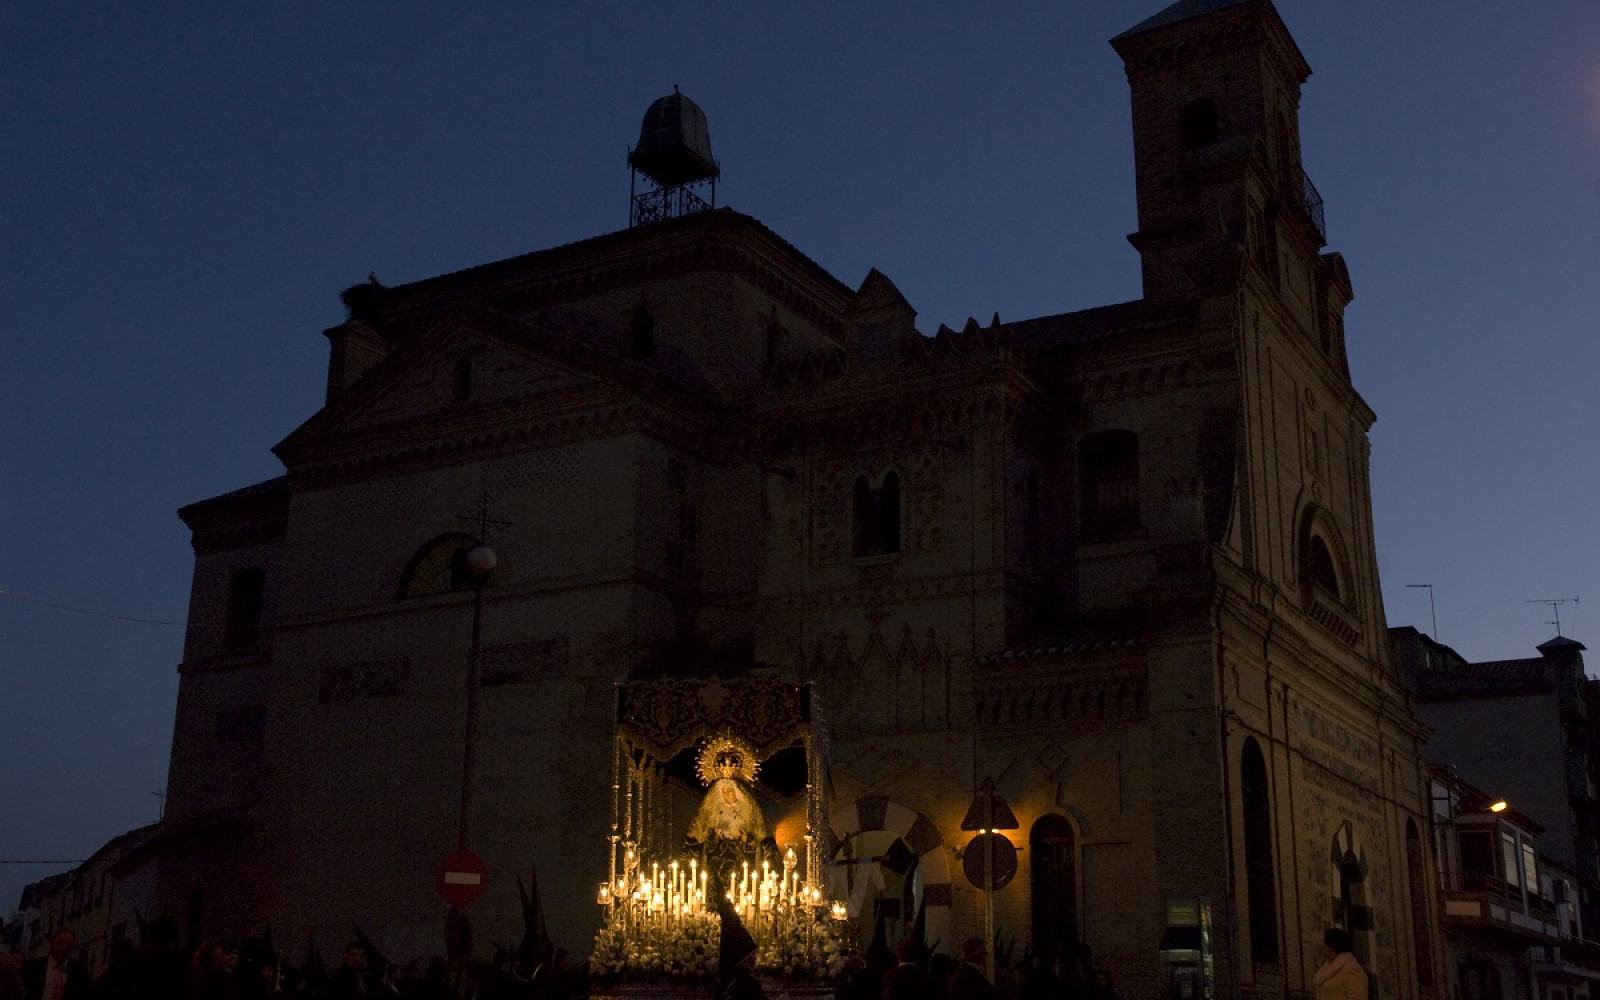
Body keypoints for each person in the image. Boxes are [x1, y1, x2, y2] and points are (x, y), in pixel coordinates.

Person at [21, 929, 91, 1000]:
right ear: (52, 943)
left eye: (69, 945)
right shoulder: (33, 966)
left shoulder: (79, 970)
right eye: (60, 943)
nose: (64, 947)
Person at [1313, 928, 1367, 1000]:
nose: (1322, 947)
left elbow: (1358, 997)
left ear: (1331, 947)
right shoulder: (1327, 967)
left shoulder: (1351, 969)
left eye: (1324, 944)